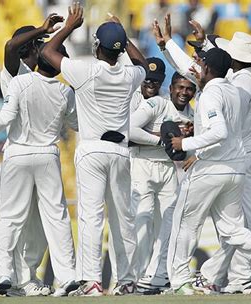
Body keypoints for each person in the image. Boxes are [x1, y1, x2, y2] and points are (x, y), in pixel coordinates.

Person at [154, 16, 251, 294]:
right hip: (238, 157)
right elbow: (200, 73)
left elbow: (218, 121)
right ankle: (241, 276)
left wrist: (192, 145)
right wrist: (171, 45)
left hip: (231, 156)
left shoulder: (239, 84)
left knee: (240, 221)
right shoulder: (240, 80)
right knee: (233, 227)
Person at [41, 4, 148, 296]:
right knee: (122, 217)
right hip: (120, 153)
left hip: (91, 151)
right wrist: (125, 40)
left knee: (91, 217)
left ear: (97, 46)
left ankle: (91, 281)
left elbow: (47, 54)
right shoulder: (129, 76)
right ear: (120, 48)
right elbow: (145, 66)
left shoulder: (85, 71)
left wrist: (69, 27)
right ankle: (127, 281)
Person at [0, 42, 79, 297]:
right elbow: (75, 123)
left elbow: (6, 116)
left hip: (18, 152)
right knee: (57, 217)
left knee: (9, 217)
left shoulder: (20, 82)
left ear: (40, 58)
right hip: (48, 155)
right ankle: (68, 276)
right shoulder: (65, 91)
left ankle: (3, 274)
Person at [0, 14, 65, 296]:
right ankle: (3, 274)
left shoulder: (38, 77)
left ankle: (26, 279)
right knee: (13, 220)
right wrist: (43, 29)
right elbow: (10, 46)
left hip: (41, 156)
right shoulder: (13, 71)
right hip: (19, 153)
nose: (42, 48)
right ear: (29, 48)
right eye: (38, 43)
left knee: (38, 225)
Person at [131, 72, 196, 293]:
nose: (183, 92)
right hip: (142, 164)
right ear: (170, 88)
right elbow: (130, 128)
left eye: (189, 89)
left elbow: (189, 150)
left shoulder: (193, 116)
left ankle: (157, 276)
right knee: (142, 223)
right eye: (179, 87)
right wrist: (161, 140)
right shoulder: (157, 104)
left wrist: (188, 141)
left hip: (168, 170)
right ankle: (135, 279)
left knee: (169, 225)